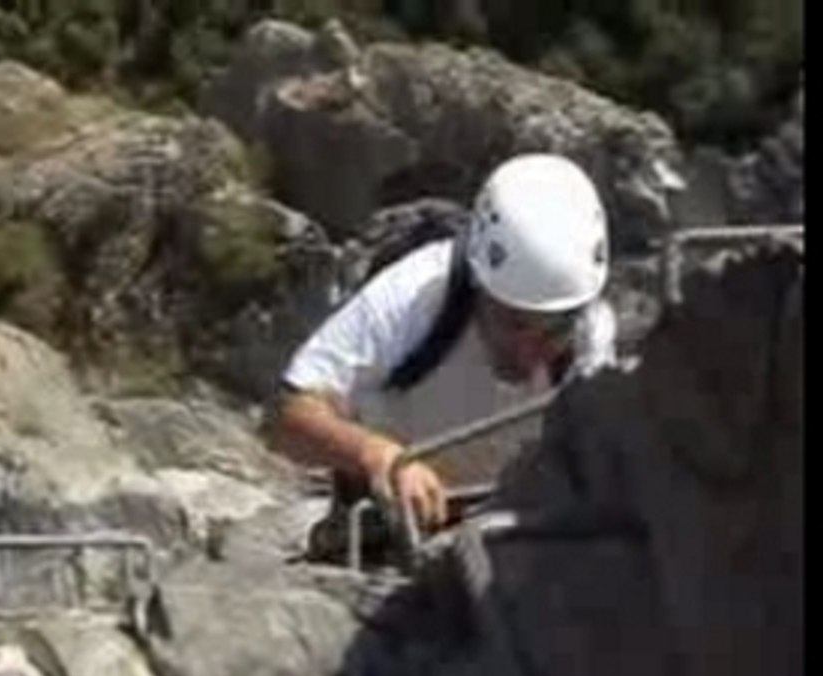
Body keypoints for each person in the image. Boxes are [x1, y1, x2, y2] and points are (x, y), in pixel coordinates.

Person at [265, 153, 619, 546]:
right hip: (390, 528)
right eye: (513, 323)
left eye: (553, 330)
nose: (528, 351)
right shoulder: (419, 294)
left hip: (509, 531)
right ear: (478, 285)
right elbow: (288, 415)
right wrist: (377, 455)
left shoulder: (590, 334)